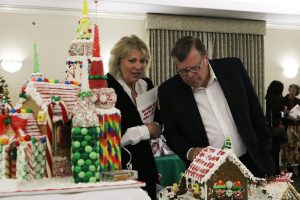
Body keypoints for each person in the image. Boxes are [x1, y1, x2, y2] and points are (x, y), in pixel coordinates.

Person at [158, 35, 275, 177]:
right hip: (210, 172)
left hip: (252, 161)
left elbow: (255, 109)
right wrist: (190, 152)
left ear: (206, 57)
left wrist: (265, 146)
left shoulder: (232, 68)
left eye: (195, 68)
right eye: (183, 71)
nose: (189, 75)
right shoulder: (169, 91)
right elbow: (171, 133)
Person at [106, 35, 161, 200]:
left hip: (147, 163)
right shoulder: (107, 87)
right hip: (121, 169)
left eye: (143, 61)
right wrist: (146, 131)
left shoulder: (146, 84)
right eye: (132, 60)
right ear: (118, 62)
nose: (139, 66)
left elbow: (157, 118)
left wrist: (158, 127)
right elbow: (111, 136)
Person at [265, 80, 285, 175]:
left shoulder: (269, 98)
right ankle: (276, 171)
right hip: (277, 127)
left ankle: (271, 170)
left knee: (271, 150)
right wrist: (284, 113)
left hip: (269, 127)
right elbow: (278, 113)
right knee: (276, 151)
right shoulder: (278, 99)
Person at [281, 84, 300, 176]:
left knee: (298, 148)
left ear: (297, 92)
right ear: (288, 90)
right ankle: (290, 171)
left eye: (294, 90)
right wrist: (287, 116)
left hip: (298, 127)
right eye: (291, 89)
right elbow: (280, 115)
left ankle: (298, 170)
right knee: (288, 148)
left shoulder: (299, 101)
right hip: (287, 127)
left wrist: (298, 117)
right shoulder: (283, 100)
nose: (292, 91)